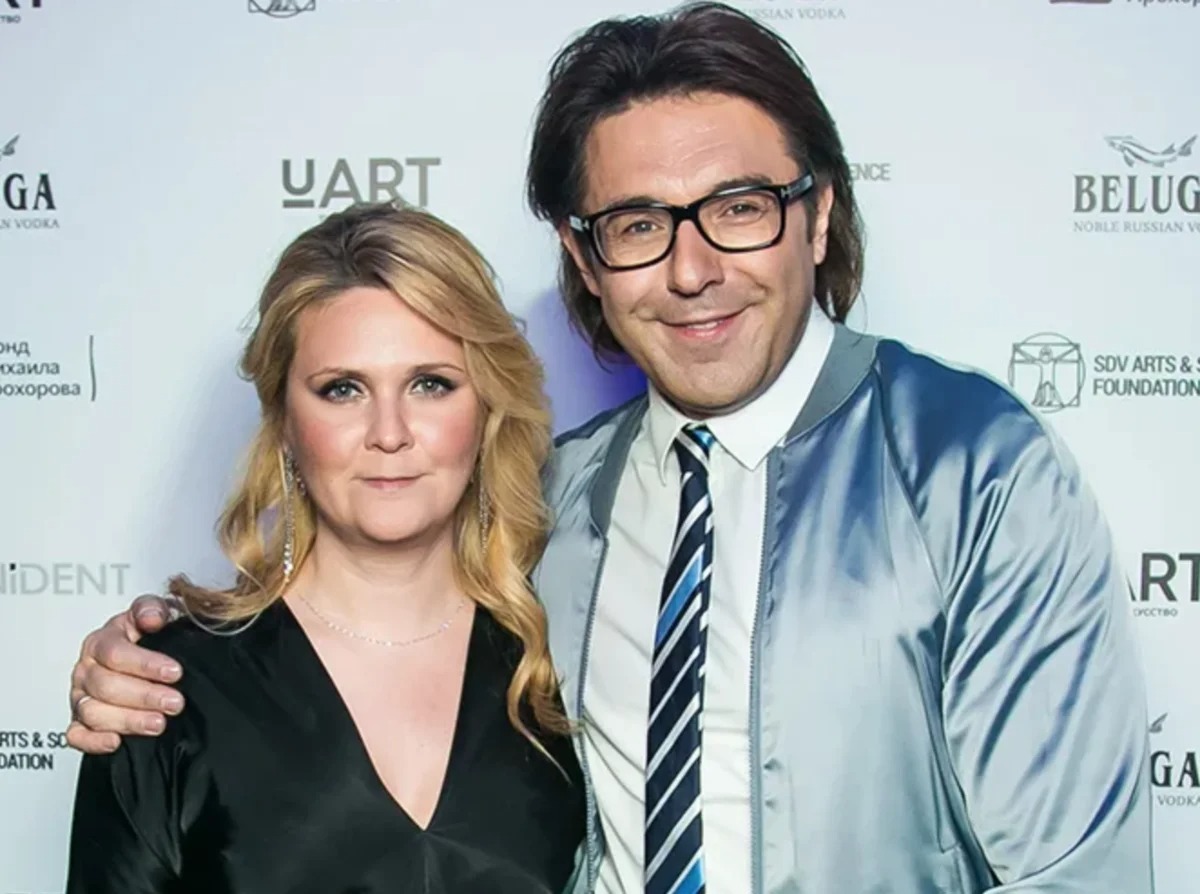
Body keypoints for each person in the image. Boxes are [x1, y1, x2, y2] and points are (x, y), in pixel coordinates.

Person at [66, 3, 1154, 892]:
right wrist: (150, 661)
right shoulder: (556, 508)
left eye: (739, 207)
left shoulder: (974, 471)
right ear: (584, 260)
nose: (692, 270)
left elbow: (1075, 874)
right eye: (638, 224)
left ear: (818, 216)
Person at [63, 202, 585, 894]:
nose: (389, 432)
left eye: (430, 384)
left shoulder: (564, 666)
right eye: (343, 390)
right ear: (284, 420)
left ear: (486, 407)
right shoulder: (162, 692)